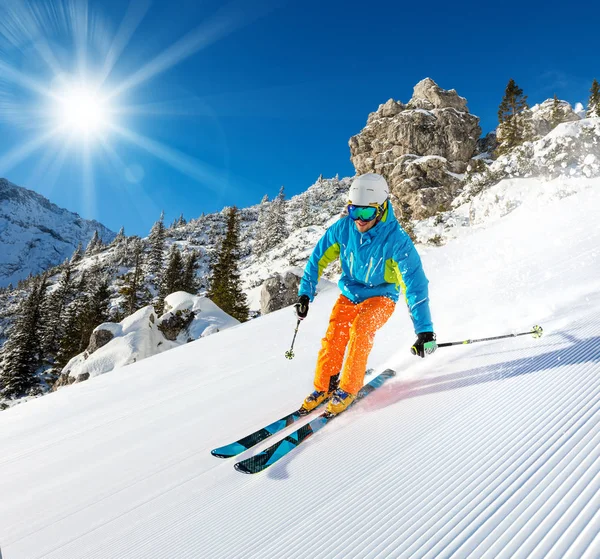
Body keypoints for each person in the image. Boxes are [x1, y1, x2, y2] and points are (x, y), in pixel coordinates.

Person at [295, 173, 436, 416]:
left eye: (367, 213)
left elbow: (414, 283)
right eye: (354, 211)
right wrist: (305, 294)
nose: (359, 220)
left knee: (360, 330)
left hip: (382, 296)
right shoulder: (343, 229)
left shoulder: (397, 241)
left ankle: (348, 388)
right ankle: (326, 385)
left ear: (380, 209)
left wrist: (424, 330)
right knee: (335, 334)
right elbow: (317, 259)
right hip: (350, 292)